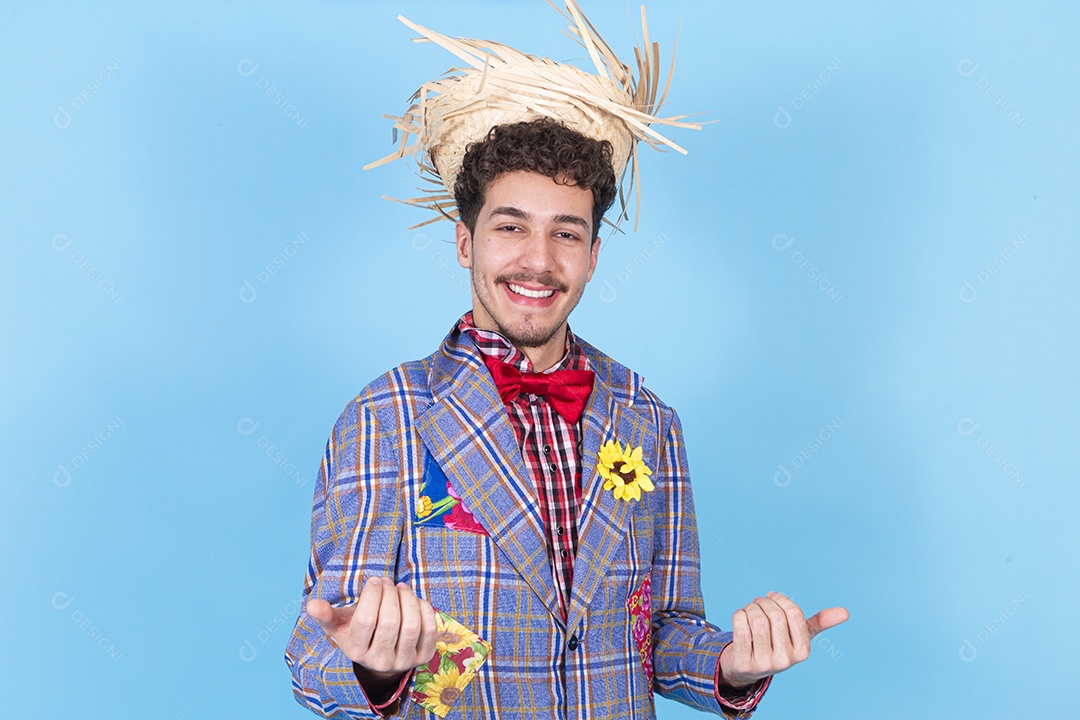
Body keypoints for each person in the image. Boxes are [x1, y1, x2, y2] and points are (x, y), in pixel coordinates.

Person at [285, 5, 847, 719]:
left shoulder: (648, 420)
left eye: (566, 234)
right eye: (510, 227)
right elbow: (313, 660)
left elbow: (664, 633)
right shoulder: (386, 417)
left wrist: (733, 665)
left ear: (593, 256)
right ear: (466, 243)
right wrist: (372, 670)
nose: (538, 262)